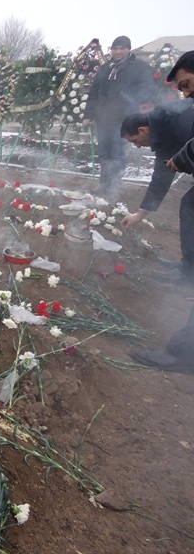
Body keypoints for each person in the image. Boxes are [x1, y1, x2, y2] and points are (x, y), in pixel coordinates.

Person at [127, 51, 194, 371]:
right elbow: (162, 175)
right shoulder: (165, 123)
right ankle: (188, 268)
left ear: (142, 130)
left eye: (186, 83)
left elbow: (164, 172)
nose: (186, 93)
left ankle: (184, 353)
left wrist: (184, 157)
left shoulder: (167, 122)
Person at [119, 104, 194, 284]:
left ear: (142, 130)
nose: (137, 146)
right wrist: (139, 215)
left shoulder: (174, 121)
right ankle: (189, 264)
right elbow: (161, 178)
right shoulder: (161, 132)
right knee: (189, 205)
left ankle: (189, 271)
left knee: (190, 206)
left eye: (135, 141)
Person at [83, 36, 155, 199]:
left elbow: (147, 92)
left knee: (117, 154)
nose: (118, 51)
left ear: (129, 49)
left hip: (124, 121)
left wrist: (134, 112)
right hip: (104, 118)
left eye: (122, 48)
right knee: (104, 154)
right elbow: (94, 91)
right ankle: (104, 186)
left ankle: (113, 189)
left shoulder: (140, 68)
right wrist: (88, 114)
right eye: (115, 48)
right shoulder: (106, 68)